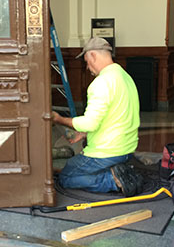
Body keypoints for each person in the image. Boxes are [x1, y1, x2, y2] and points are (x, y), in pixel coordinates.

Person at [52, 37, 142, 196]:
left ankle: (112, 180)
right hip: (127, 149)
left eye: (87, 61)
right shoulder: (125, 76)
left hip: (107, 152)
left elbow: (89, 123)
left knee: (66, 177)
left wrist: (59, 119)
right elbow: (116, 115)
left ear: (93, 55)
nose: (87, 67)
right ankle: (120, 169)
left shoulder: (101, 82)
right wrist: (86, 133)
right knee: (75, 167)